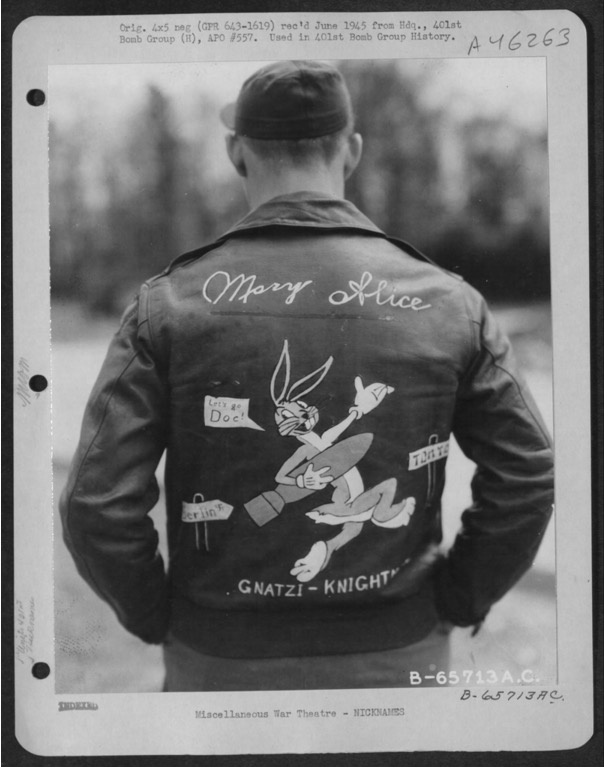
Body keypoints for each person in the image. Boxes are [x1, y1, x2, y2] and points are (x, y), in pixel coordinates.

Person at [59, 60, 554, 692]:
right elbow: (529, 473)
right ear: (350, 151)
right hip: (401, 657)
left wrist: (160, 616)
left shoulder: (169, 304)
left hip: (219, 663)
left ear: (236, 152)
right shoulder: (450, 302)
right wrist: (456, 600)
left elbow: (95, 506)